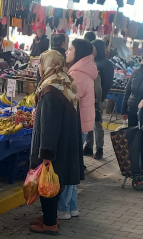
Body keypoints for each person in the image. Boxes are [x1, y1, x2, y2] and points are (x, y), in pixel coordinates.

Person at [29, 50, 83, 235]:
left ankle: (50, 223)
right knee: (54, 183)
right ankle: (49, 217)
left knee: (47, 183)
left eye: (41, 63)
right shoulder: (65, 82)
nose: (39, 67)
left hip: (53, 147)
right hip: (65, 145)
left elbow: (49, 124)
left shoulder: (50, 88)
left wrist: (46, 155)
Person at [57, 39, 97, 220]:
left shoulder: (77, 75)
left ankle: (63, 208)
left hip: (76, 126)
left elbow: (68, 101)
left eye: (70, 49)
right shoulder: (84, 71)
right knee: (73, 166)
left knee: (68, 168)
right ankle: (72, 206)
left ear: (78, 52)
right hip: (82, 125)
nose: (67, 52)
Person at [84, 40, 115, 159]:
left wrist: (100, 99)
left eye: (93, 48)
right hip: (88, 98)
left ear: (98, 48)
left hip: (99, 99)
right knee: (88, 123)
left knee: (97, 123)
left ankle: (100, 148)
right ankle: (89, 146)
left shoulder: (107, 64)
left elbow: (107, 84)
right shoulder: (92, 61)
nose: (92, 50)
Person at [122, 59, 143, 127]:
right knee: (132, 135)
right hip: (132, 110)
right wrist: (124, 110)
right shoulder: (135, 72)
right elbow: (128, 91)